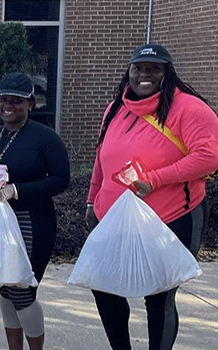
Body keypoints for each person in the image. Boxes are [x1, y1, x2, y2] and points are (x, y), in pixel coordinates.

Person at [85, 43, 218, 350]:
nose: (145, 74)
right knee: (104, 287)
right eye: (138, 68)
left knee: (159, 296)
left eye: (154, 68)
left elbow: (209, 157)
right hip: (116, 220)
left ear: (167, 73)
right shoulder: (115, 108)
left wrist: (155, 180)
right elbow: (101, 157)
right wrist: (93, 201)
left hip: (172, 218)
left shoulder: (189, 109)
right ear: (128, 71)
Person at [0, 73, 70, 350]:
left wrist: (17, 190)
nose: (9, 106)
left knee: (22, 289)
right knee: (5, 288)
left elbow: (61, 179)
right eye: (3, 100)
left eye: (17, 101)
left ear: (30, 103)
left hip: (32, 221)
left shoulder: (45, 138)